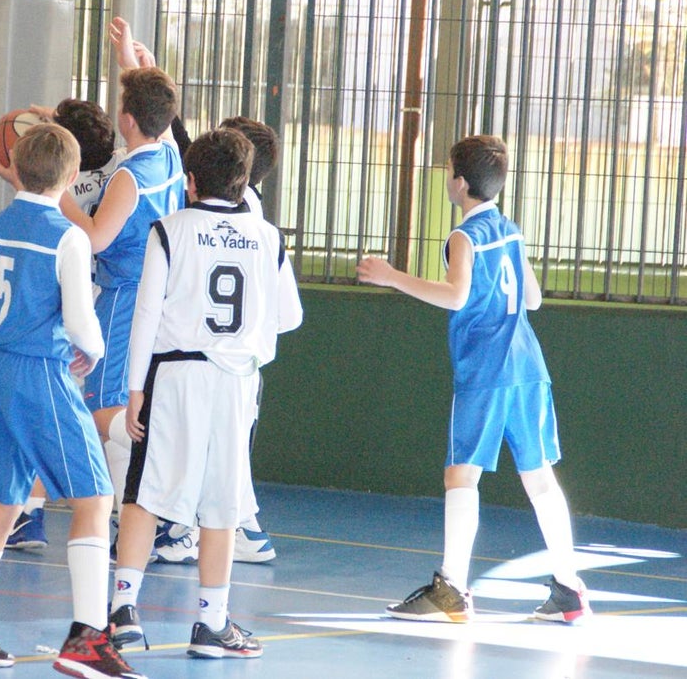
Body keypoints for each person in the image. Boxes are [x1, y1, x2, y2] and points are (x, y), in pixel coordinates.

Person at [0, 123, 144, 679]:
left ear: (15, 169)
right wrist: (91, 352)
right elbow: (81, 322)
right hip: (39, 372)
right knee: (94, 498)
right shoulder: (67, 235)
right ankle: (88, 640)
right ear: (72, 177)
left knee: (5, 498)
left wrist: (2, 332)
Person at [356, 134, 590, 624]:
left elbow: (458, 296)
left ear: (460, 183)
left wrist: (392, 275)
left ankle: (452, 588)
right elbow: (533, 300)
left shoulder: (464, 237)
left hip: (486, 370)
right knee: (540, 479)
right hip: (528, 367)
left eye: (447, 172)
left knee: (462, 473)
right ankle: (569, 588)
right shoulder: (510, 230)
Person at [107, 128, 303, 657]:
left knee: (146, 492)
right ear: (247, 181)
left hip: (174, 377)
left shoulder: (169, 229)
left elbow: (146, 315)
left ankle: (124, 611)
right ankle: (212, 624)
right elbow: (291, 316)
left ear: (189, 181)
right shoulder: (268, 236)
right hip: (237, 384)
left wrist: (133, 389)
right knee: (222, 503)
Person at [58, 18, 185, 554]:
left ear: (126, 122)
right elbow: (156, 108)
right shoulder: (173, 155)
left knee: (104, 410)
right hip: (160, 296)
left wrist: (56, 188)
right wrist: (134, 66)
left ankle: (156, 501)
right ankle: (135, 512)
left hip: (124, 297)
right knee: (116, 407)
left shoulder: (129, 178)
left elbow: (94, 239)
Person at [1, 98, 116, 552]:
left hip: (59, 312)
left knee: (44, 423)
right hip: (95, 303)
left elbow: (42, 204)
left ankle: (29, 514)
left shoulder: (65, 197)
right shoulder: (118, 174)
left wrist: (17, 171)